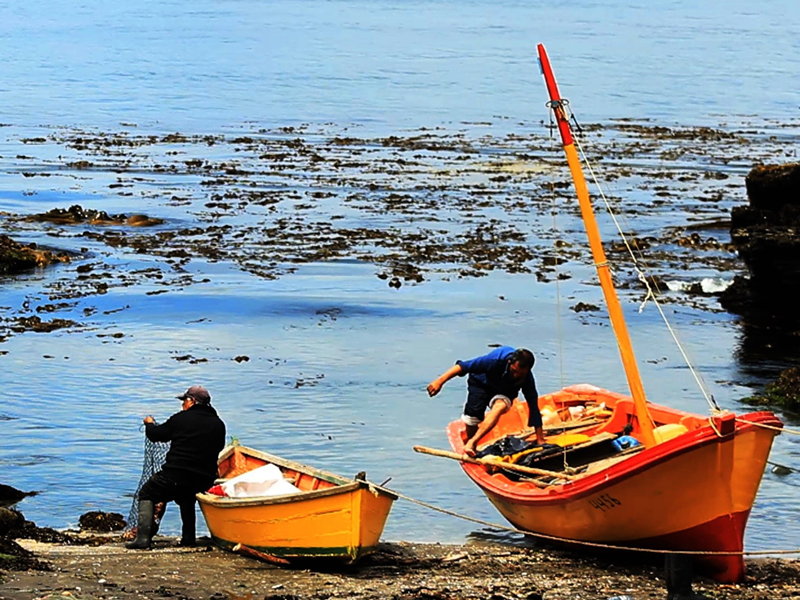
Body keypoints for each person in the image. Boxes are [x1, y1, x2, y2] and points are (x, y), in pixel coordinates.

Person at [126, 385, 226, 550]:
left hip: (176, 476)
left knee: (147, 492)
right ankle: (188, 538)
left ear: (192, 401)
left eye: (184, 401)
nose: (182, 405)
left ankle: (142, 539)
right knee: (187, 498)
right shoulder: (218, 424)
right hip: (204, 480)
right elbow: (219, 448)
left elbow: (157, 435)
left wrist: (149, 424)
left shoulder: (181, 419)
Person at [427, 346, 544, 457]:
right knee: (472, 419)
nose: (516, 375)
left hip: (504, 391)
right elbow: (463, 366)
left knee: (500, 406)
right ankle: (472, 448)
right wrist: (439, 381)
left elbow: (533, 405)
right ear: (510, 363)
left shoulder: (526, 378)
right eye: (514, 371)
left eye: (521, 374)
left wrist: (540, 439)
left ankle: (472, 442)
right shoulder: (494, 360)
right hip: (481, 383)